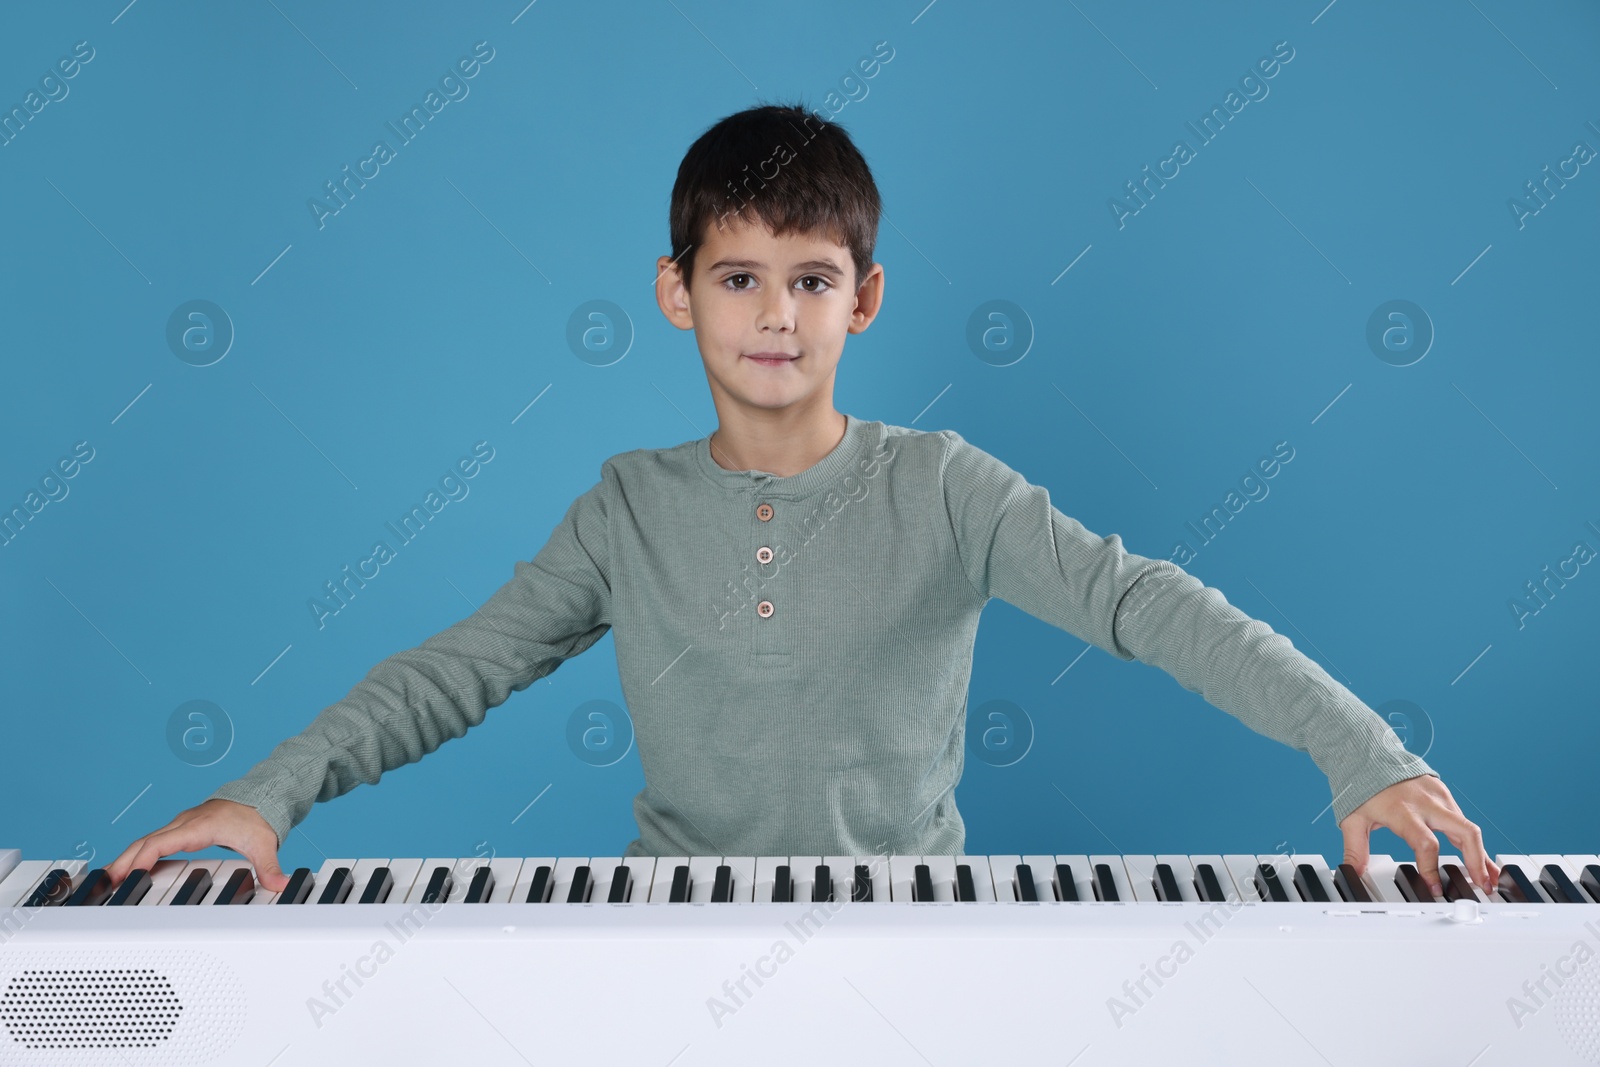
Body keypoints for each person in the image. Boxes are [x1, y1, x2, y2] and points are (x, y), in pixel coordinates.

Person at [109, 101, 1497, 899]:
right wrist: (267, 796)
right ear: (676, 294)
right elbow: (454, 674)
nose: (776, 315)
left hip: (916, 937)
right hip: (667, 939)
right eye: (738, 278)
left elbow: (1147, 605)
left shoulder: (946, 488)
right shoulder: (626, 509)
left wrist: (1360, 751)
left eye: (813, 280)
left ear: (866, 299)